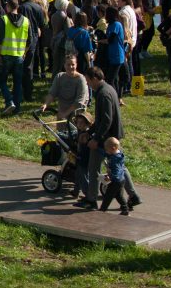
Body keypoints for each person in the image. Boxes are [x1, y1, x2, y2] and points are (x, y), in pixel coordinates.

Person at [77, 68, 141, 210]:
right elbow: (101, 120)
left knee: (93, 167)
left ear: (94, 78)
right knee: (119, 166)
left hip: (106, 138)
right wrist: (89, 132)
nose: (88, 84)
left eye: (88, 81)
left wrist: (96, 139)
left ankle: (91, 199)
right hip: (111, 136)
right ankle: (134, 196)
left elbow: (106, 120)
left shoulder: (103, 94)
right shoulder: (109, 88)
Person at [0, 0, 30, 116]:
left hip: (6, 54)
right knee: (17, 82)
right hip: (19, 55)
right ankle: (17, 108)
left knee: (2, 81)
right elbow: (29, 39)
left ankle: (9, 101)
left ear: (8, 7)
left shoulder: (3, 19)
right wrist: (24, 52)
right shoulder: (26, 21)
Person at [41, 55, 89, 121]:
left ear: (76, 65)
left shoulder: (81, 80)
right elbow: (52, 93)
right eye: (68, 65)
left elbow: (79, 102)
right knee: (61, 131)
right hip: (62, 110)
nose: (70, 67)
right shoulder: (59, 77)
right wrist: (46, 104)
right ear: (64, 65)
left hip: (76, 114)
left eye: (73, 64)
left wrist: (65, 114)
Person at [99, 137, 131, 216]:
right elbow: (106, 153)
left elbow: (117, 172)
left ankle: (102, 209)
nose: (106, 151)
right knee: (118, 195)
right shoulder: (117, 155)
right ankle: (125, 209)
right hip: (121, 180)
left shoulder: (115, 160)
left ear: (113, 148)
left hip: (116, 181)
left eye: (107, 149)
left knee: (108, 196)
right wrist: (98, 149)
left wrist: (110, 177)